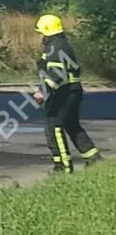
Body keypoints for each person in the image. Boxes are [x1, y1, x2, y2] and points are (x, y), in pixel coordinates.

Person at [32, 14, 101, 173]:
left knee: (54, 126)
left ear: (47, 31)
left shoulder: (55, 47)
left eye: (41, 32)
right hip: (71, 91)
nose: (39, 36)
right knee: (71, 125)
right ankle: (93, 158)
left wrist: (42, 91)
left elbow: (56, 73)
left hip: (64, 93)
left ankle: (62, 166)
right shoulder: (61, 45)